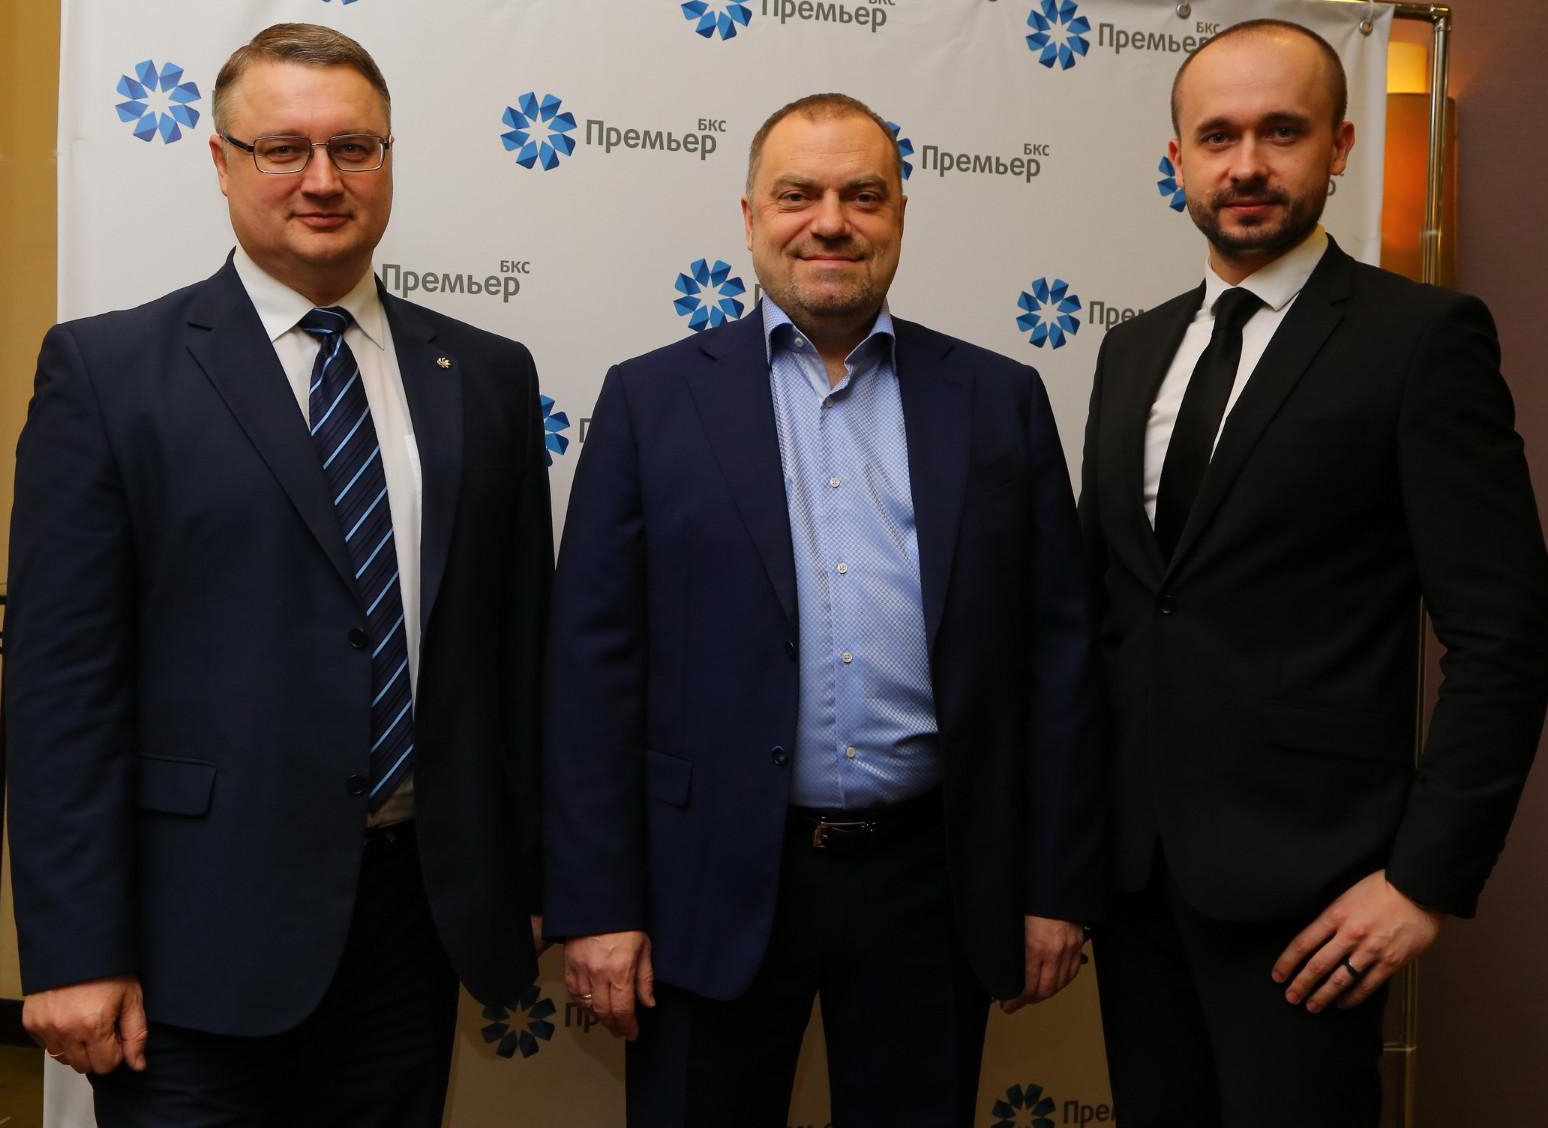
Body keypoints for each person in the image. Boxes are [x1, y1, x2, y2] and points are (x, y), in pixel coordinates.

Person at [4, 23, 551, 1126]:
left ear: (388, 159)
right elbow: (61, 690)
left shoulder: (487, 376)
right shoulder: (109, 373)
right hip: (189, 943)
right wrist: (72, 949)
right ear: (221, 161)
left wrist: (536, 882)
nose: (323, 180)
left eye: (354, 147)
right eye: (283, 148)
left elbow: (521, 661)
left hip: (415, 927)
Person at [542, 92, 1104, 1126]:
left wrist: (1055, 885)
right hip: (704, 881)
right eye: (798, 195)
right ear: (750, 215)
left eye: (863, 196)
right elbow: (590, 673)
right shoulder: (649, 401)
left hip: (931, 885)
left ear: (901, 215)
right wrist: (597, 903)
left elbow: (1057, 663)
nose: (830, 223)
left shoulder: (999, 399)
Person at [1080, 19, 1548, 1126]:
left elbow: (1506, 634)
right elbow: (1125, 609)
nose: (1247, 164)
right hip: (1133, 881)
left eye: (1281, 132)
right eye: (1218, 137)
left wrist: (1425, 881)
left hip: (1316, 901)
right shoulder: (1131, 350)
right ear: (1177, 160)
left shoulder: (1421, 339)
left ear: (1339, 146)